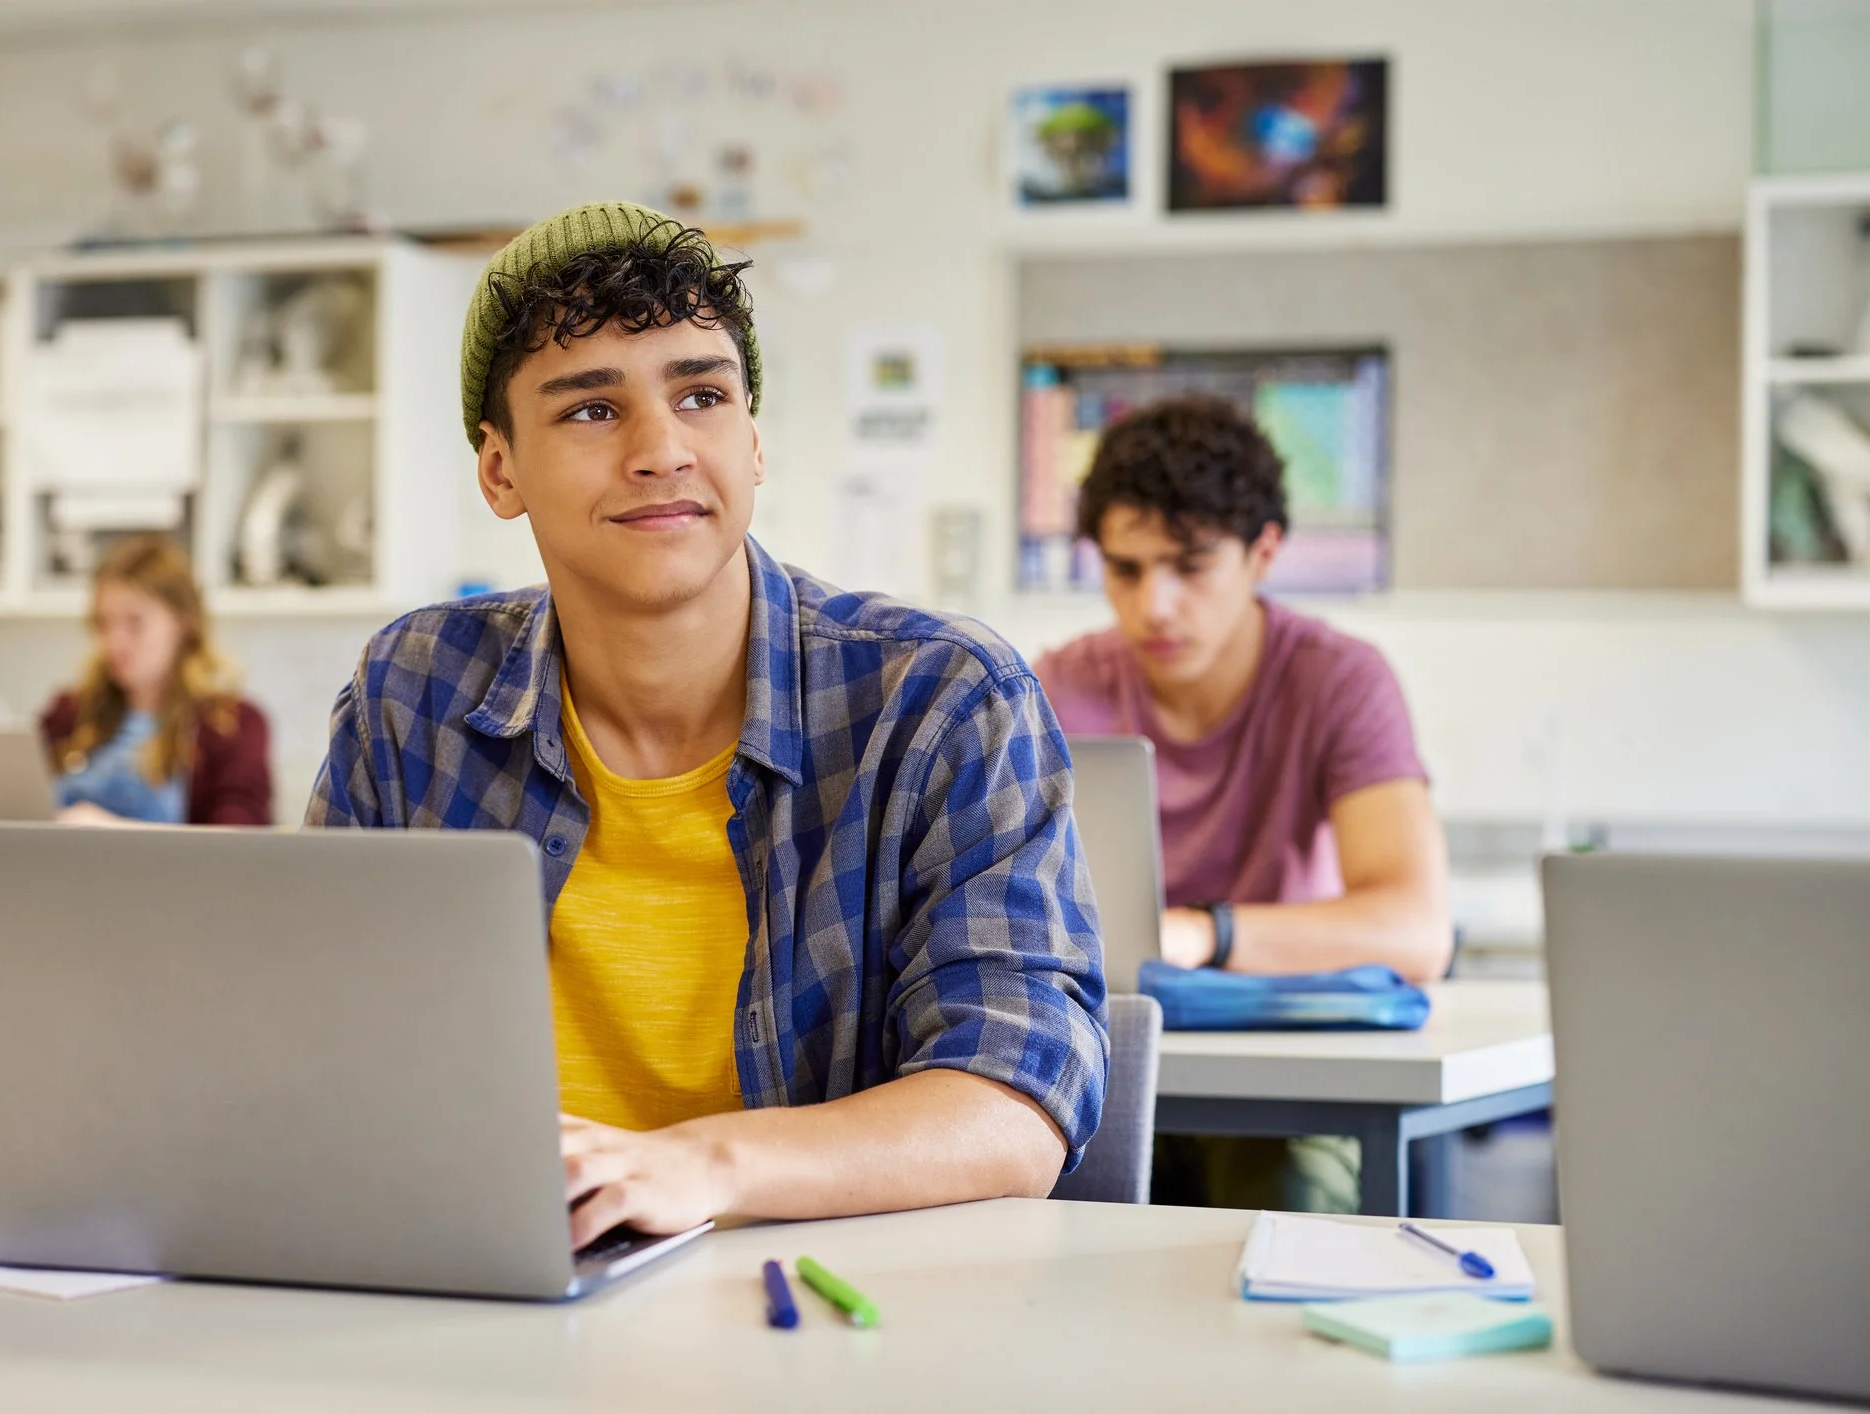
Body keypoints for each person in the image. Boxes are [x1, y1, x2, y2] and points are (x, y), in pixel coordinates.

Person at [308, 202, 1107, 1251]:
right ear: (499, 469)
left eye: (701, 395)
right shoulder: (411, 692)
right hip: (481, 1284)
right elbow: (317, 1055)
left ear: (754, 442)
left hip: (818, 1316)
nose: (661, 451)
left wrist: (698, 1164)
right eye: (591, 411)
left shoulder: (939, 698)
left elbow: (1014, 1104)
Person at [1034, 394, 1451, 1212]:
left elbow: (1414, 929)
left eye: (1189, 566)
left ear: (1263, 553)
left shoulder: (1340, 682)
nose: (1154, 605)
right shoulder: (1050, 686)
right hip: (1107, 1059)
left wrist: (1203, 932)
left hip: (1282, 1067)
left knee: (1288, 1198)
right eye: (1125, 569)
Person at [42, 534, 273, 828]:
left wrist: (112, 831)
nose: (115, 643)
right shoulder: (68, 713)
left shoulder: (233, 724)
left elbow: (238, 843)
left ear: (183, 623)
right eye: (103, 624)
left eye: (135, 623)